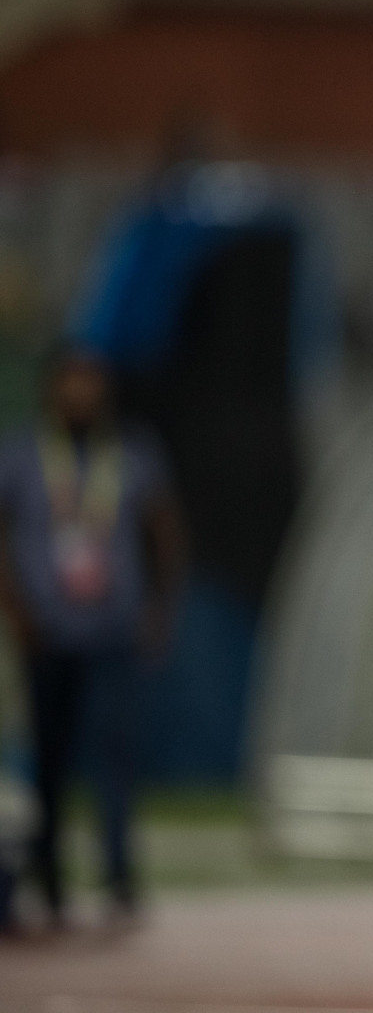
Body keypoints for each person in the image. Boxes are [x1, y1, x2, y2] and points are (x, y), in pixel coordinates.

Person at [0, 347, 185, 927]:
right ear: (50, 390)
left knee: (115, 755)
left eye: (90, 384)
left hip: (113, 628)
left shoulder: (133, 453)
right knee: (49, 759)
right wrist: (17, 610)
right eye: (69, 383)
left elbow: (164, 528)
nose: (80, 395)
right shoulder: (22, 455)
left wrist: (160, 605)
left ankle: (119, 874)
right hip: (48, 630)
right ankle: (47, 875)